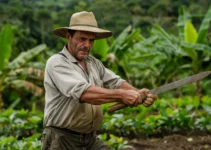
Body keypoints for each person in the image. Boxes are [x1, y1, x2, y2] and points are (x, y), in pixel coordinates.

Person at [41, 11, 157, 150]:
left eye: (91, 40)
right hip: (62, 139)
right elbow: (84, 93)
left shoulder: (93, 63)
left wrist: (137, 93)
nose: (87, 45)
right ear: (68, 36)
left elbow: (115, 82)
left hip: (89, 138)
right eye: (82, 39)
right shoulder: (57, 62)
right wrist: (122, 95)